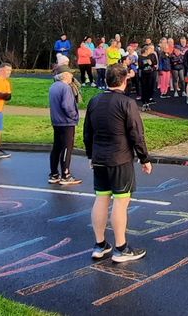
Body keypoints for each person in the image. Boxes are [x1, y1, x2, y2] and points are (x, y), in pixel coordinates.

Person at [83, 63, 153, 264]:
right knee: (121, 203)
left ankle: (100, 244)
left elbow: (88, 132)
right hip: (119, 159)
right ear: (124, 81)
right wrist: (144, 158)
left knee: (101, 199)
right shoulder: (127, 103)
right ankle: (121, 247)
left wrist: (90, 156)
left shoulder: (94, 101)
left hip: (99, 158)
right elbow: (136, 133)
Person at [49, 65, 83, 186]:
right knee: (67, 148)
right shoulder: (65, 88)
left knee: (57, 147)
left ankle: (54, 174)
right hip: (66, 122)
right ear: (64, 75)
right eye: (70, 74)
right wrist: (74, 116)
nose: (72, 76)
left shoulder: (53, 86)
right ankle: (66, 174)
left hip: (56, 121)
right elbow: (67, 106)